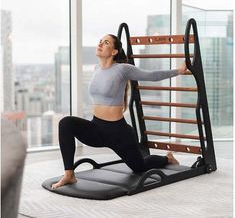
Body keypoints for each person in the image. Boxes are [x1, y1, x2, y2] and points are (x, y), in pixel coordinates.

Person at [52, 34, 187, 189]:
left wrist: (178, 70)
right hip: (96, 128)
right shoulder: (96, 69)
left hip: (118, 132)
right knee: (66, 123)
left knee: (140, 167)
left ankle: (167, 158)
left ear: (114, 51)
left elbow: (151, 76)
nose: (101, 44)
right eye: (100, 41)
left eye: (106, 42)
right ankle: (69, 175)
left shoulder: (122, 69)